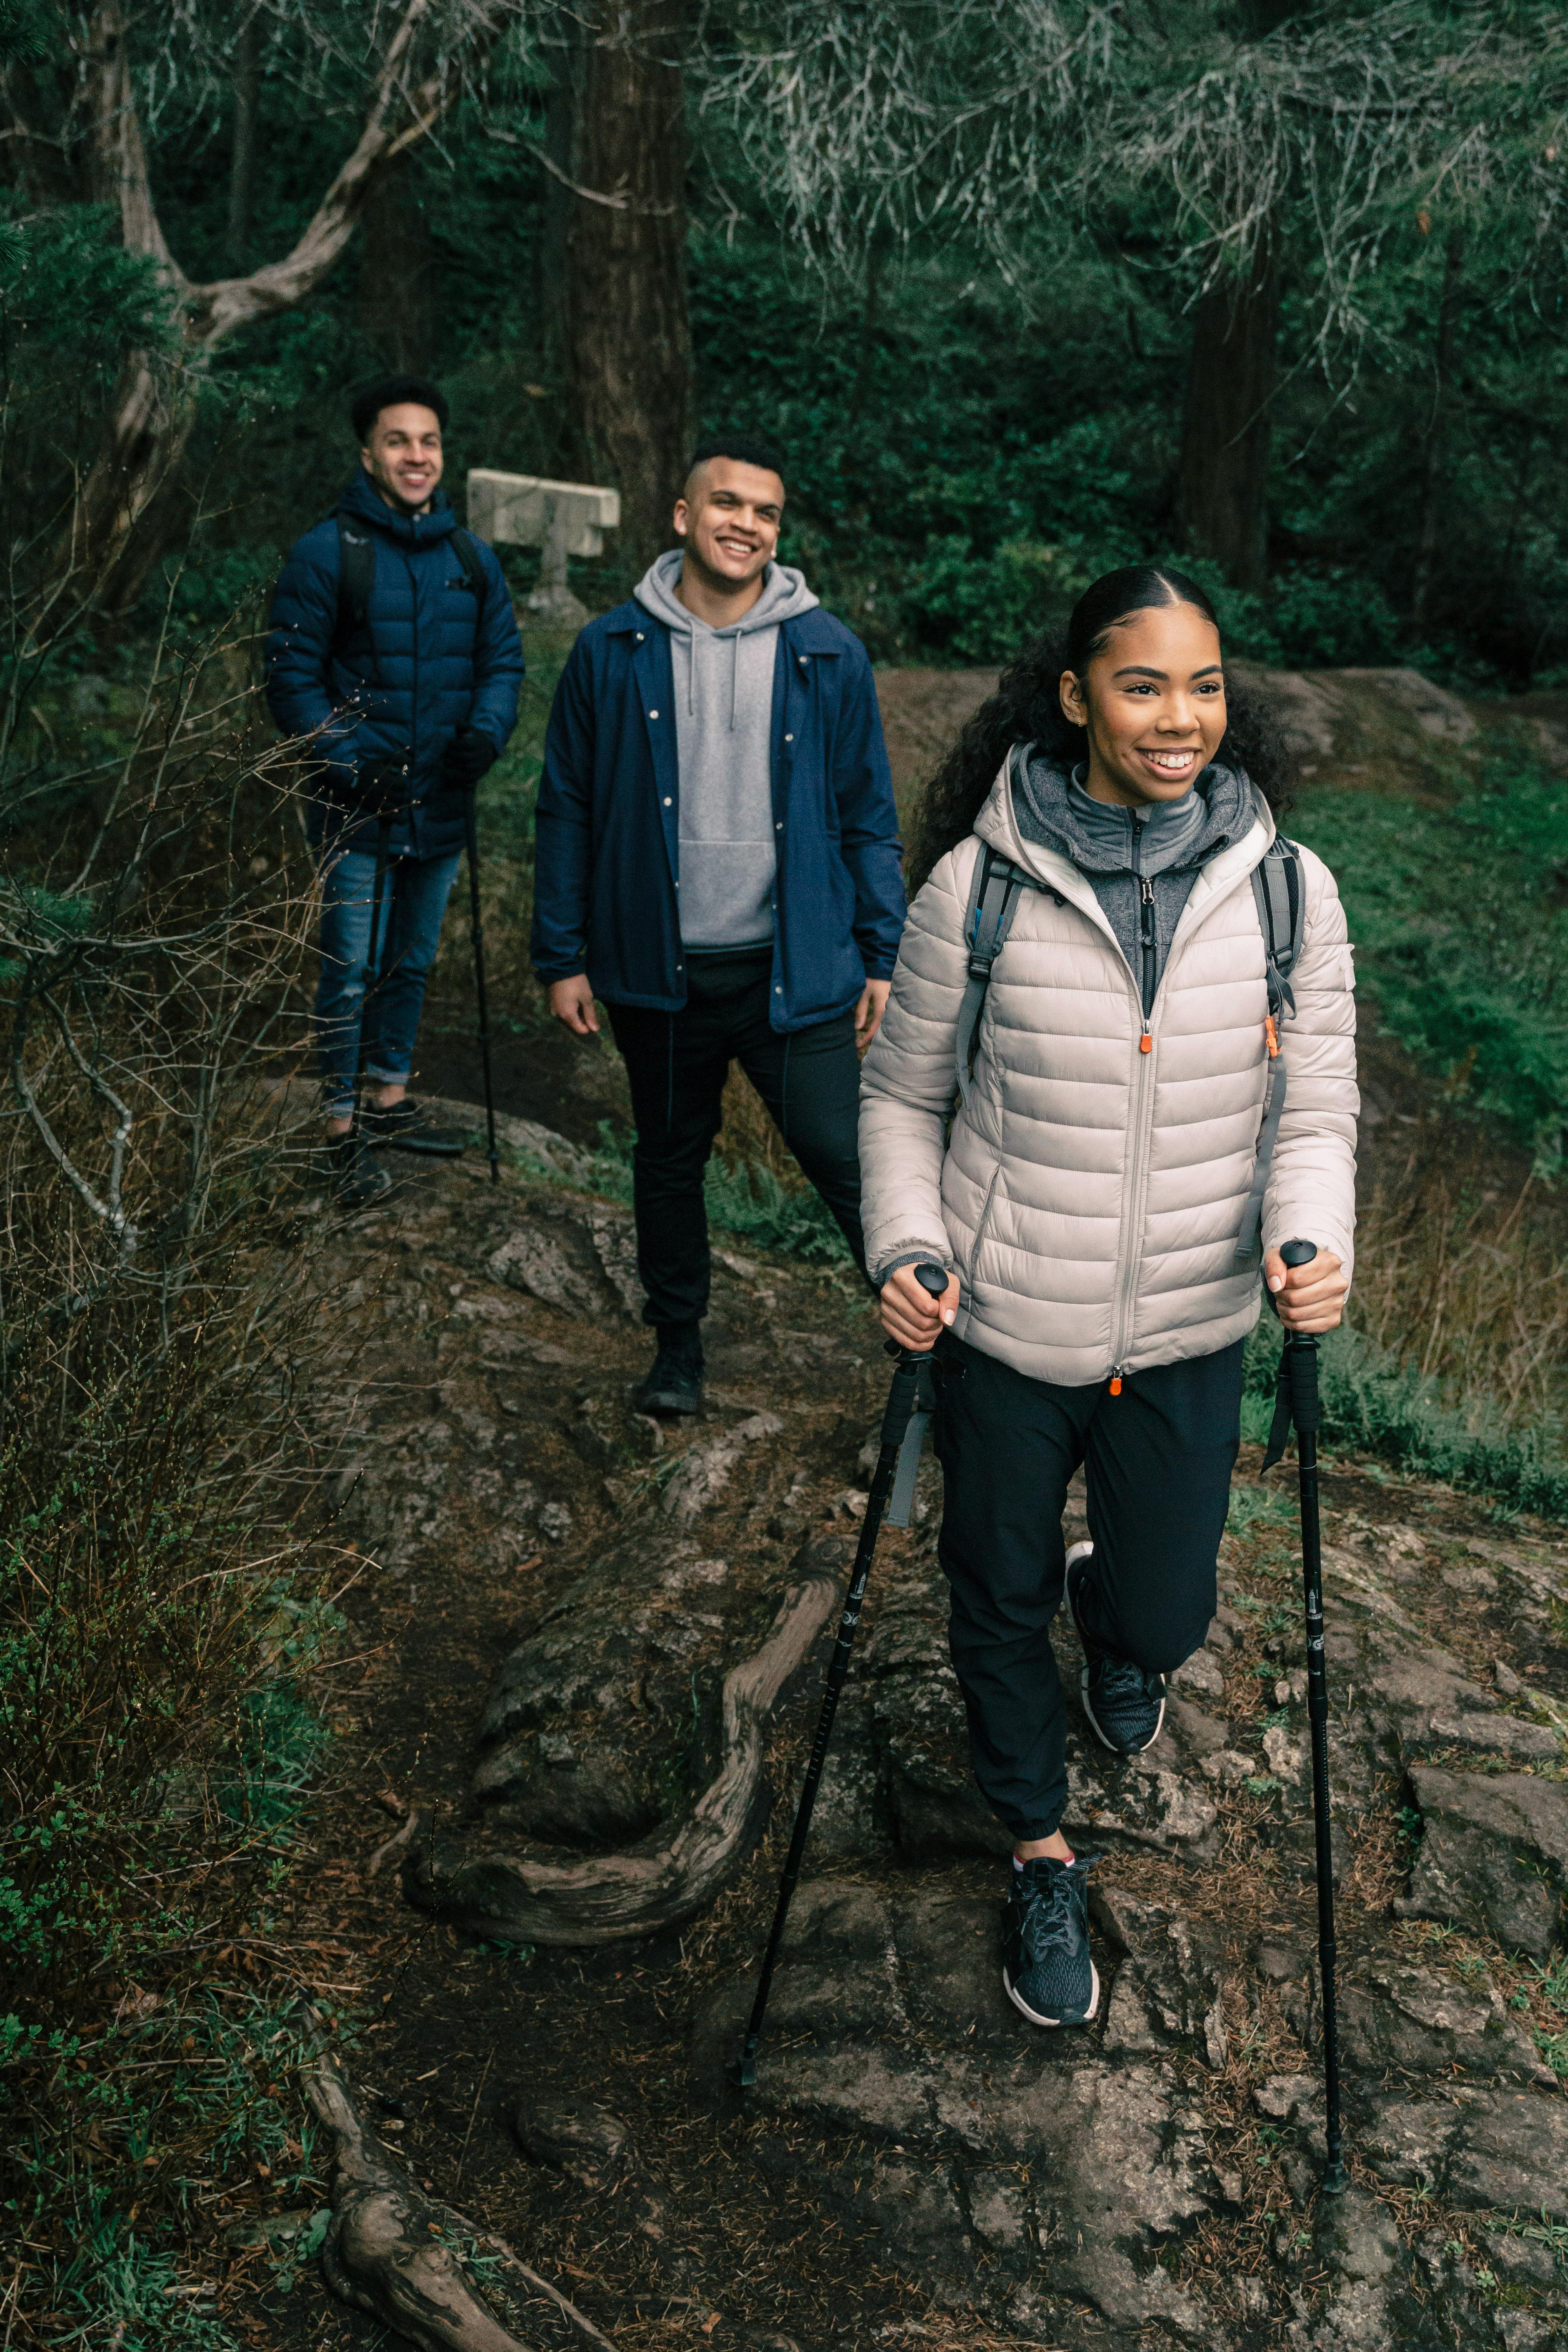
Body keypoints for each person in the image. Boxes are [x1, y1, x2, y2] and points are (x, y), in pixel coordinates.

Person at [859, 565, 1358, 2030]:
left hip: (1191, 1332)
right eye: (1143, 684)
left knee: (1164, 1615)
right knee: (993, 1598)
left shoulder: (1284, 886)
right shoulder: (982, 884)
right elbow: (899, 1099)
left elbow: (1314, 1108)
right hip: (1005, 1325)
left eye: (1204, 685)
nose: (1179, 716)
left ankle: (1116, 1615)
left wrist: (1311, 1237)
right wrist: (905, 1252)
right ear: (1075, 694)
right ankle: (1039, 1848)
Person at [532, 430, 905, 1414]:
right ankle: (677, 1353)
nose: (747, 524)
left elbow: (869, 814)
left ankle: (936, 1363)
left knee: (850, 1164)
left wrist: (882, 952)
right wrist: (560, 953)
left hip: (796, 972)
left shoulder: (827, 652)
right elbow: (566, 804)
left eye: (766, 512)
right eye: (728, 504)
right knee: (668, 1161)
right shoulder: (611, 650)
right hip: (657, 971)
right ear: (684, 516)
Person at [267, 372, 525, 1207]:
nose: (417, 456)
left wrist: (486, 732)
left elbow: (502, 664)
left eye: (429, 441)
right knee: (349, 967)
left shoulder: (468, 557)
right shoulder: (326, 553)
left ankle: (388, 1096)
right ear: (367, 453)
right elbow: (291, 681)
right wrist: (345, 760)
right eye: (398, 441)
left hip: (440, 805)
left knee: (412, 961)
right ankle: (338, 1129)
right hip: (355, 806)